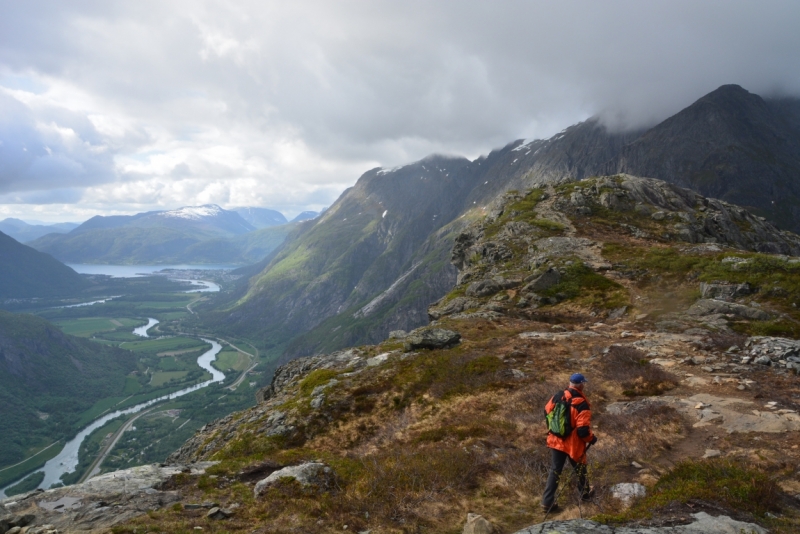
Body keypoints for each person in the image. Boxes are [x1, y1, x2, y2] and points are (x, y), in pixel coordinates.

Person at [541, 373, 597, 513]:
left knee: (555, 470)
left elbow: (546, 411)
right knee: (580, 469)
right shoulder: (582, 404)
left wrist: (555, 429)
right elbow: (583, 431)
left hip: (555, 440)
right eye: (583, 383)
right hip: (572, 444)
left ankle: (547, 503)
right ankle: (584, 496)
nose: (584, 385)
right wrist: (592, 439)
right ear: (580, 384)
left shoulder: (558, 395)